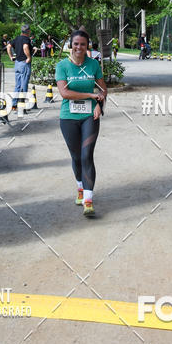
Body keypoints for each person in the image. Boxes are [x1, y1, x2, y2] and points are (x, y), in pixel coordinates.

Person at [55, 28, 107, 217]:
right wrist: (90, 95)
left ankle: (88, 200)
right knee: (76, 157)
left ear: (87, 46)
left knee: (87, 156)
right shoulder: (62, 66)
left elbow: (103, 89)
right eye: (76, 44)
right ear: (71, 45)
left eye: (83, 44)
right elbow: (65, 93)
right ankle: (80, 186)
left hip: (89, 117)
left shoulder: (93, 64)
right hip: (68, 117)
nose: (79, 47)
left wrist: (99, 104)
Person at [7, 25, 32, 110]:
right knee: (24, 85)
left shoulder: (17, 38)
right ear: (28, 31)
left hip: (17, 63)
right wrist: (28, 57)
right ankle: (22, 104)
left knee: (17, 85)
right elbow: (25, 47)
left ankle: (14, 104)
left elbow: (8, 46)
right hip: (24, 63)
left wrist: (11, 57)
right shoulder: (26, 39)